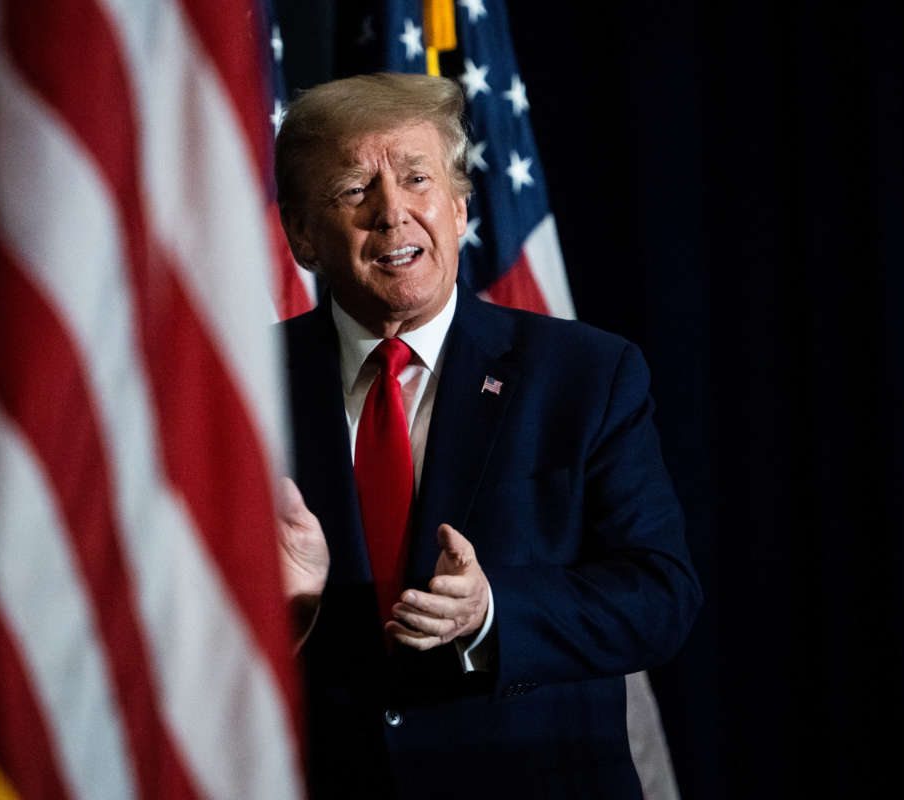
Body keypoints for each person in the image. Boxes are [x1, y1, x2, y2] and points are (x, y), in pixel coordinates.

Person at [273, 72, 701, 799]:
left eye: (417, 179)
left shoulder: (586, 375)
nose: (392, 214)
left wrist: (492, 611)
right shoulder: (248, 388)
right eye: (354, 190)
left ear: (460, 204)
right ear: (302, 234)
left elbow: (660, 597)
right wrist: (278, 615)